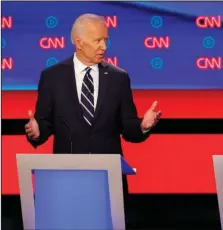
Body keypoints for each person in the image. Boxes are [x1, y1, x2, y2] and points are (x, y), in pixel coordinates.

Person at [24, 13, 161, 226]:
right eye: (98, 40)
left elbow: (128, 128)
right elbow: (44, 123)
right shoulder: (52, 77)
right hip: (65, 181)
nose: (104, 46)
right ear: (78, 41)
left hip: (108, 182)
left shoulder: (118, 78)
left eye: (106, 40)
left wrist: (143, 125)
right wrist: (37, 132)